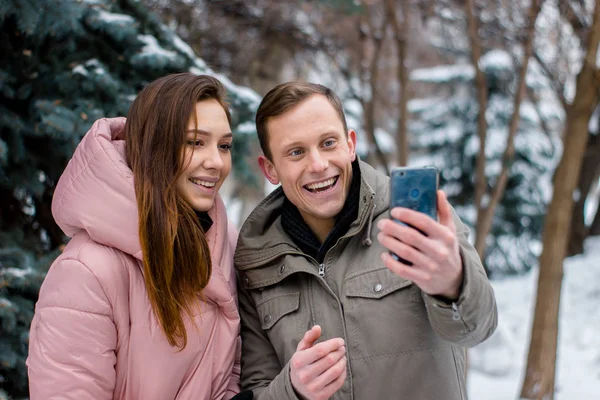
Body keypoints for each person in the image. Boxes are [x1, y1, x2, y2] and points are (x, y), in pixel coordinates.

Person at [234, 82, 498, 400]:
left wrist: (454, 283)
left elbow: (478, 327)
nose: (318, 165)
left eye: (328, 143)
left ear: (350, 144)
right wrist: (291, 390)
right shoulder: (256, 260)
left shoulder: (414, 221)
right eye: (296, 152)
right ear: (270, 169)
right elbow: (256, 386)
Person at [27, 73, 252, 400]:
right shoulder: (87, 272)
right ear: (155, 147)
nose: (216, 161)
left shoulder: (223, 246)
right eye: (195, 142)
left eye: (224, 145)